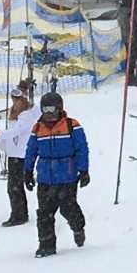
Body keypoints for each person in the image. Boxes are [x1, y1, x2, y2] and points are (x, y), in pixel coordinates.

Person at [26, 90, 88, 256]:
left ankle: (78, 227)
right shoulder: (38, 128)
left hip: (66, 176)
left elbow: (82, 148)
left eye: (52, 109)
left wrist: (84, 170)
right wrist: (27, 171)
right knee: (44, 212)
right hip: (46, 177)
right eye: (45, 110)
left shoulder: (71, 125)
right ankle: (46, 245)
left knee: (68, 208)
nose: (49, 114)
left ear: (60, 108)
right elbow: (31, 150)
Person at [0, 83, 36, 227]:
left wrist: (0, 134)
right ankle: (19, 213)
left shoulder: (28, 114)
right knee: (14, 186)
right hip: (13, 154)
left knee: (15, 186)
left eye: (17, 98)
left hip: (22, 155)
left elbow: (18, 130)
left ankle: (19, 215)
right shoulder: (14, 111)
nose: (14, 101)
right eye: (13, 98)